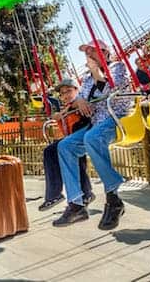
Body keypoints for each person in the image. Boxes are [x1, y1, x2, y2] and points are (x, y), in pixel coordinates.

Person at [54, 40, 132, 230]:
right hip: (96, 123)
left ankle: (113, 198)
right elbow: (85, 97)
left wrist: (96, 70)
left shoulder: (118, 67)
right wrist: (80, 100)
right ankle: (76, 203)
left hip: (117, 117)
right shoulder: (87, 79)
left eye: (92, 51)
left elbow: (111, 88)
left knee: (92, 138)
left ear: (105, 53)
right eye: (87, 52)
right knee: (65, 146)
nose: (88, 55)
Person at [39, 78, 94, 211]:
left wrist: (74, 104)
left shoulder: (80, 101)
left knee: (52, 151)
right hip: (74, 138)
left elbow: (79, 103)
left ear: (77, 90)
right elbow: (63, 115)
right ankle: (86, 193)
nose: (66, 95)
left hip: (87, 134)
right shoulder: (67, 108)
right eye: (63, 93)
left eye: (69, 91)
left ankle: (55, 194)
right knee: (70, 156)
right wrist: (58, 115)